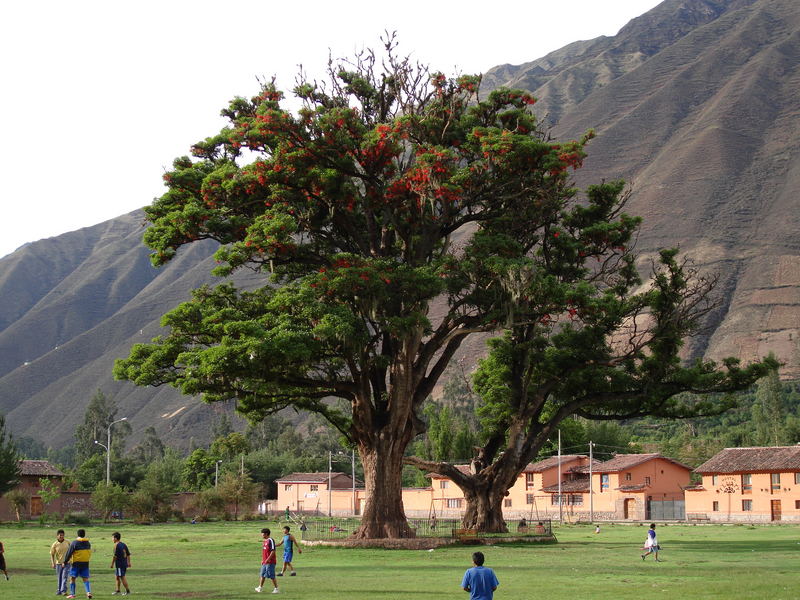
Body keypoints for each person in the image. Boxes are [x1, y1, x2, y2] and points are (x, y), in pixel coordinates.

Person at [63, 528, 92, 599]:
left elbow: (69, 553)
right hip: (85, 563)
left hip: (76, 563)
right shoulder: (88, 543)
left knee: (72, 578)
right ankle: (88, 592)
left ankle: (72, 594)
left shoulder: (75, 543)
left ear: (77, 534)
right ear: (84, 534)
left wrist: (65, 562)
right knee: (85, 579)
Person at [255, 528, 279, 594]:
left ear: (266, 534)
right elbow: (265, 552)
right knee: (262, 574)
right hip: (265, 562)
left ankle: (276, 589)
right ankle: (260, 588)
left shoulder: (270, 540)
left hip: (270, 562)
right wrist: (263, 560)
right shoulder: (265, 541)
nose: (261, 535)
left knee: (271, 575)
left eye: (262, 533)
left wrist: (268, 559)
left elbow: (273, 551)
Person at [51, 529, 71, 594]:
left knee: (64, 576)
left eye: (62, 535)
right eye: (60, 535)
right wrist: (53, 563)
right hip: (58, 563)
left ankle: (63, 591)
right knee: (59, 577)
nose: (61, 536)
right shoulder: (55, 544)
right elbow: (52, 554)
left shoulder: (68, 542)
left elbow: (71, 552)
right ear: (57, 536)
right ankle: (59, 590)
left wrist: (72, 560)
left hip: (67, 563)